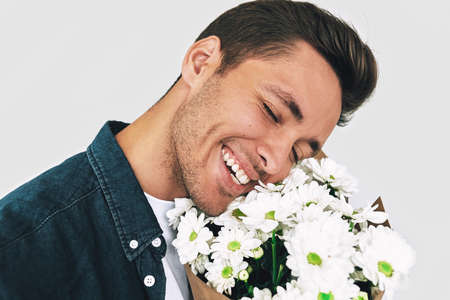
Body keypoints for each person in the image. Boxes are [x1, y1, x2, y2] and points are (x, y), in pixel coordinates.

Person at [0, 1, 377, 299]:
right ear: (201, 64)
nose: (276, 162)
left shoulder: (271, 257)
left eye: (299, 153)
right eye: (271, 111)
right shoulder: (20, 251)